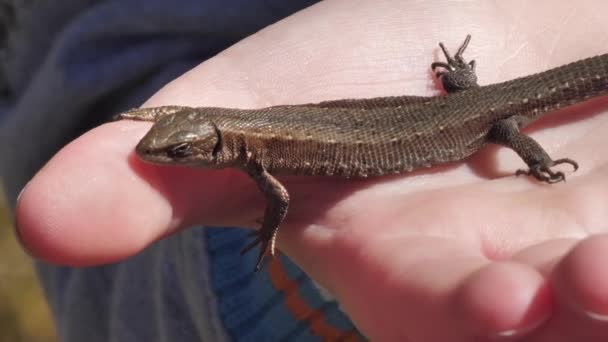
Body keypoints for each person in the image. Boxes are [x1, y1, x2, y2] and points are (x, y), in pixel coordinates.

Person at [3, 1, 608, 341]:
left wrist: (268, 231)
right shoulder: (233, 131)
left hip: (479, 117)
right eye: (175, 147)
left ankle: (535, 157)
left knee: (509, 131)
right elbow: (191, 116)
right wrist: (156, 114)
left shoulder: (259, 159)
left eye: (181, 151)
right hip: (465, 105)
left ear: (218, 147)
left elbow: (281, 203)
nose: (164, 156)